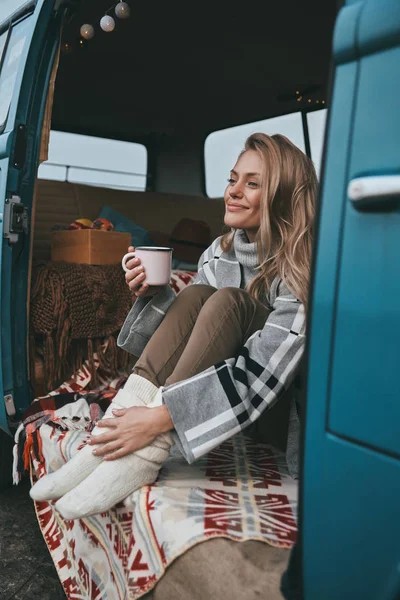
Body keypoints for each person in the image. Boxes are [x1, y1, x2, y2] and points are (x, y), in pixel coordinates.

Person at [30, 133, 317, 519]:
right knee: (198, 297)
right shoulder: (220, 251)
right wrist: (153, 294)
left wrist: (159, 420)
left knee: (227, 300)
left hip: (273, 414)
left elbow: (260, 376)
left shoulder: (303, 268)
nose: (233, 191)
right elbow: (193, 337)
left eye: (252, 183)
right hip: (212, 411)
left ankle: (141, 456)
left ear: (282, 197)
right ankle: (106, 445)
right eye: (233, 179)